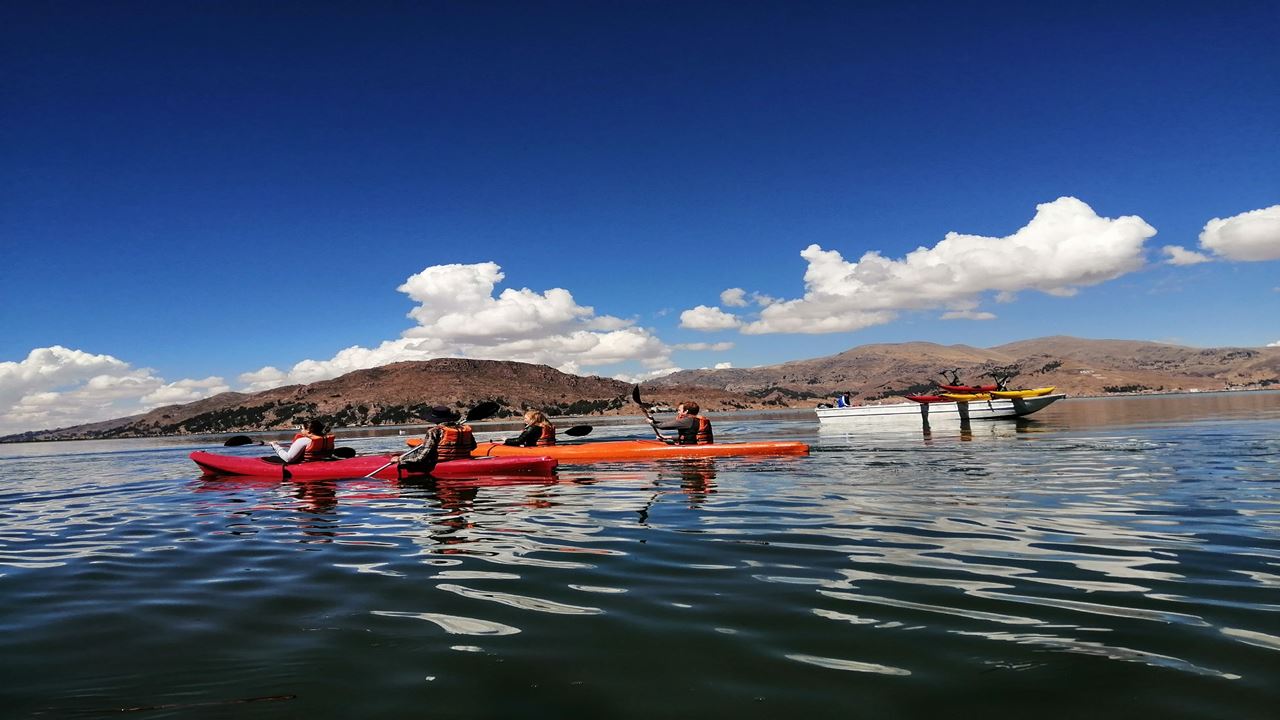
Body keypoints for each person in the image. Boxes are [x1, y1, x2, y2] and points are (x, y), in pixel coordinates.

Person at [398, 405, 477, 471]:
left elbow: (422, 456)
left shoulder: (433, 431)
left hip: (441, 462)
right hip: (464, 459)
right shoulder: (464, 429)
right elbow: (473, 447)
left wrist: (401, 460)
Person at [269, 420, 334, 463]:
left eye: (302, 428)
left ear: (308, 430)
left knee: (273, 458)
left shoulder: (302, 441)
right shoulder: (326, 439)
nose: (301, 430)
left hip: (307, 465)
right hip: (322, 462)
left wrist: (275, 446)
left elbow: (288, 458)